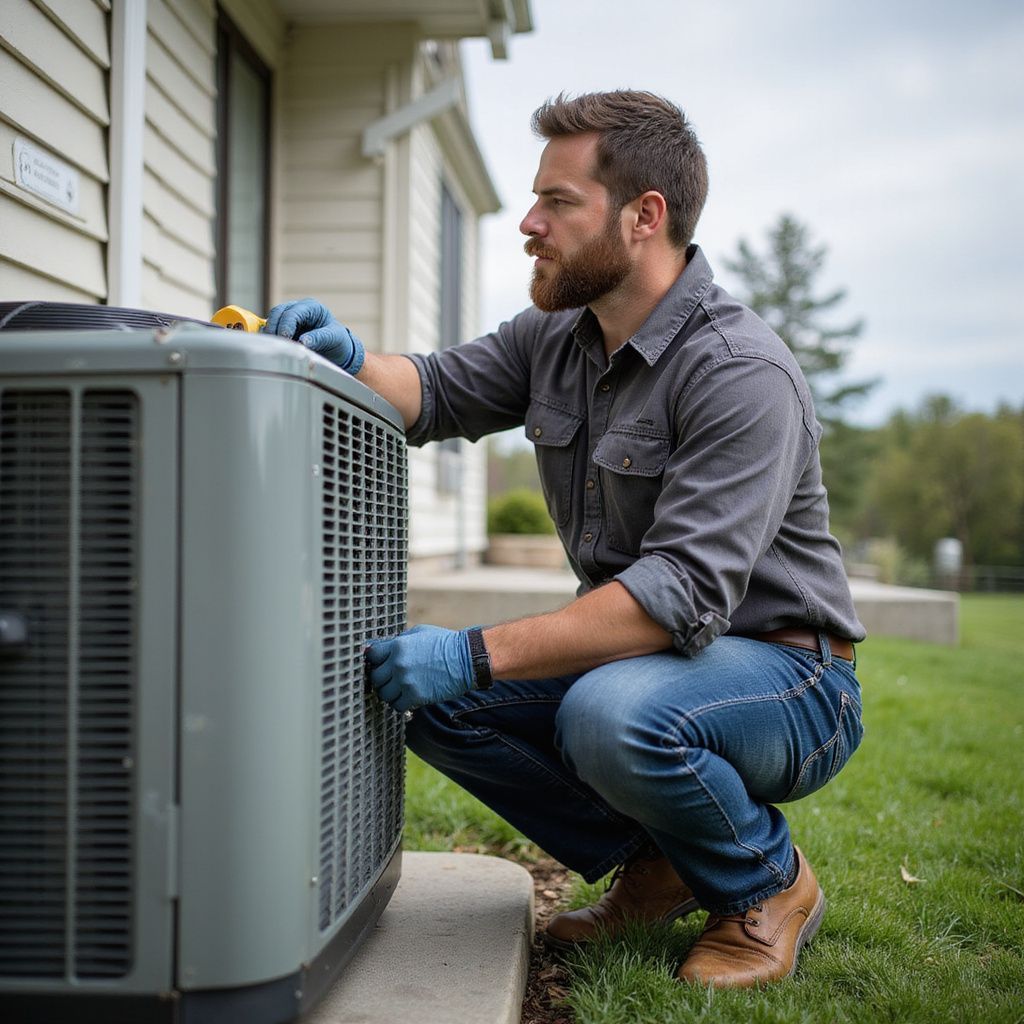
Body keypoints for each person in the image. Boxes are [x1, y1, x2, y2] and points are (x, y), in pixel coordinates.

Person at [266, 90, 866, 989]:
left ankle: (765, 884)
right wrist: (348, 358)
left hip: (790, 678)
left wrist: (474, 650)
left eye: (558, 202)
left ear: (643, 217)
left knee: (604, 711)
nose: (528, 223)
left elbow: (677, 598)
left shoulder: (742, 373)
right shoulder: (558, 336)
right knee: (427, 698)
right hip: (651, 660)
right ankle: (661, 860)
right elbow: (431, 390)